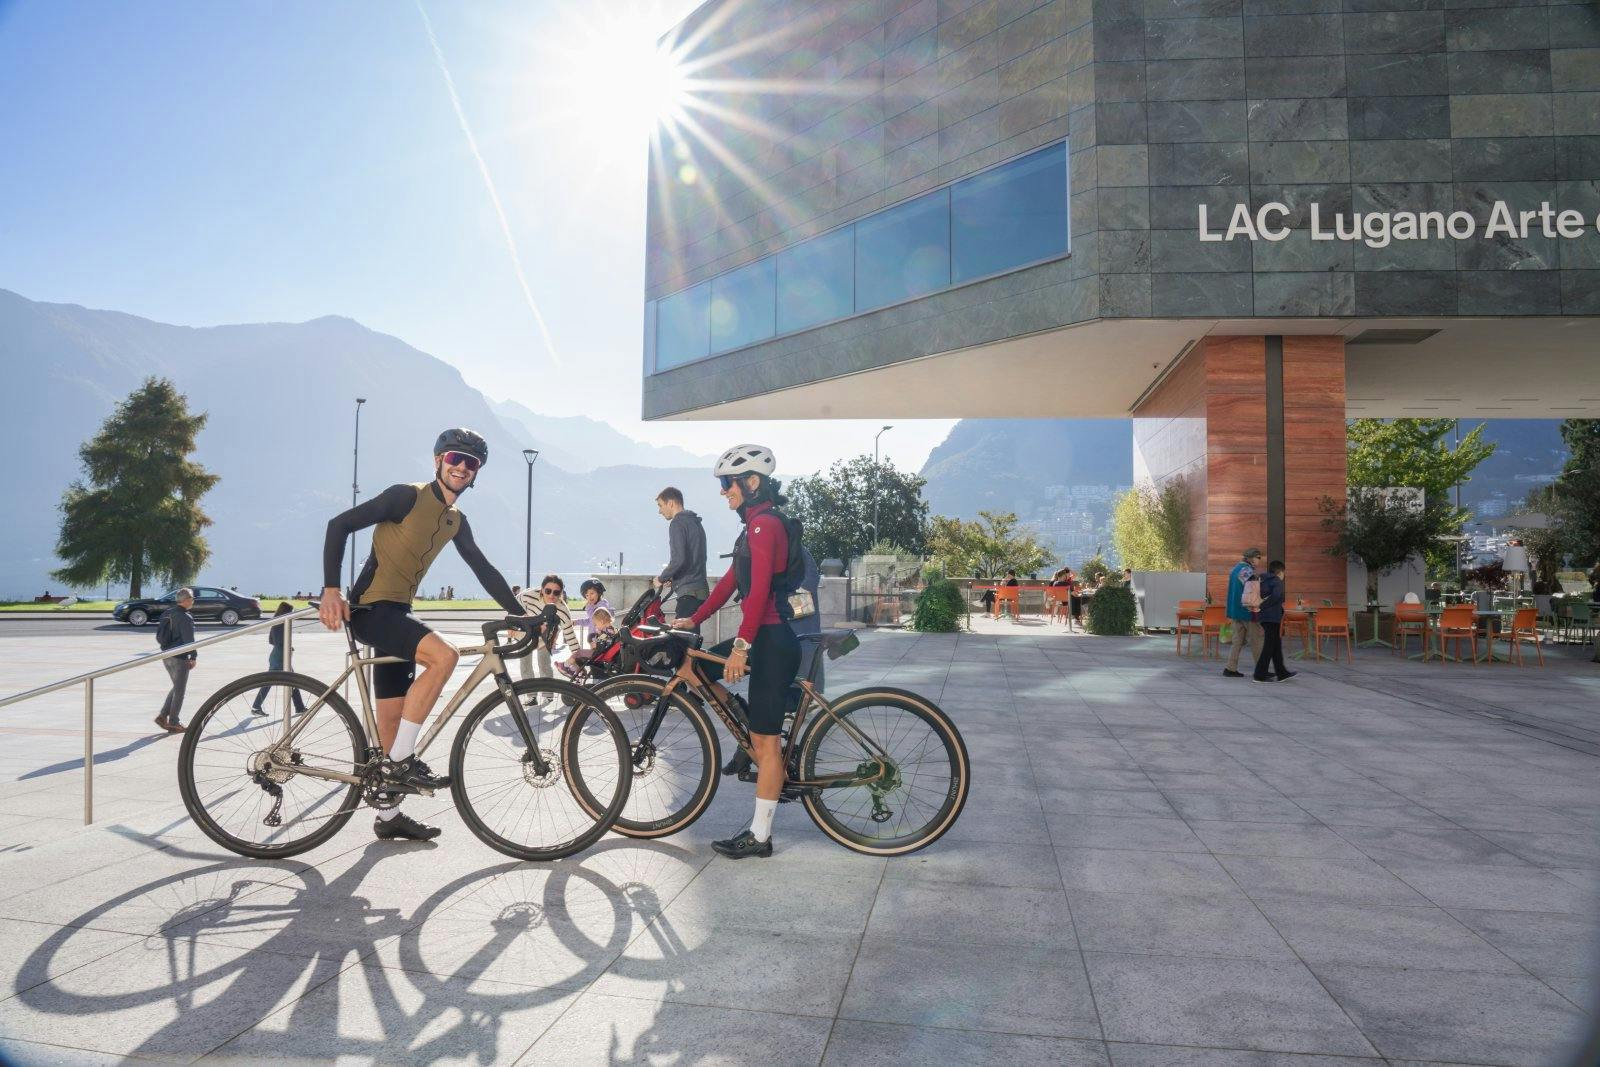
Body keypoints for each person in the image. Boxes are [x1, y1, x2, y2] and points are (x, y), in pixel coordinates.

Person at [320, 427, 525, 843]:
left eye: (472, 463)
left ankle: (389, 813)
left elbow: (482, 569)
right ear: (438, 461)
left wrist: (520, 613)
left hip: (397, 614)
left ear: (476, 473)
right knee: (444, 656)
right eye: (455, 459)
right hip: (371, 611)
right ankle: (403, 764)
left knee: (392, 726)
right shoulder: (406, 496)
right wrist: (330, 589)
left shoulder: (455, 521)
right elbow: (339, 525)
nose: (462, 468)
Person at [674, 443, 802, 860]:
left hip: (771, 640)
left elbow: (761, 591)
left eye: (727, 482)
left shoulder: (766, 525)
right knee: (695, 668)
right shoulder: (752, 527)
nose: (723, 491)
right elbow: (731, 581)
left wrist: (741, 648)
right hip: (762, 636)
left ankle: (760, 837)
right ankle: (746, 725)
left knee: (767, 746)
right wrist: (693, 620)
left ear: (751, 482)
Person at [516, 575, 579, 702]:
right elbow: (512, 605)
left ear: (561, 593)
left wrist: (578, 656)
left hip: (546, 634)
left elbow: (570, 635)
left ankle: (548, 695)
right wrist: (512, 625)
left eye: (556, 592)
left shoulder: (562, 609)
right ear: (542, 589)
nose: (551, 595)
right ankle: (531, 696)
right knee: (525, 664)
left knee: (543, 663)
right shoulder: (528, 596)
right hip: (526, 631)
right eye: (548, 591)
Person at [653, 486, 709, 627]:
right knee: (691, 639)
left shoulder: (677, 523)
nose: (659, 511)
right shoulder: (695, 522)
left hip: (689, 593)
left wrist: (661, 578)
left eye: (660, 505)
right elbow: (693, 558)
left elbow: (679, 559)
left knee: (681, 641)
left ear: (670, 503)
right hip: (700, 589)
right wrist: (674, 578)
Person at [251, 601, 305, 716]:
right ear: (287, 612)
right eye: (292, 612)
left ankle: (299, 707)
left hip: (276, 654)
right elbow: (281, 641)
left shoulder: (276, 622)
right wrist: (289, 647)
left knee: (279, 682)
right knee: (291, 681)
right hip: (281, 656)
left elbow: (271, 640)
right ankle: (299, 708)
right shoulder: (284, 623)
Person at [154, 588, 197, 733]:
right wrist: (193, 656)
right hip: (179, 657)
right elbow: (189, 641)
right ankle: (173, 722)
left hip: (166, 655)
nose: (193, 600)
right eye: (191, 598)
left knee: (176, 687)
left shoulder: (168, 613)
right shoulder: (185, 617)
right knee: (180, 691)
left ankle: (162, 716)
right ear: (185, 600)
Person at [1223, 547, 1264, 678]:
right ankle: (1261, 670)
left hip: (1235, 611)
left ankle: (1230, 668)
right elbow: (1254, 591)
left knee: (1237, 641)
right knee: (1257, 640)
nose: (1259, 560)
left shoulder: (1235, 569)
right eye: (1258, 558)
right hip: (1247, 611)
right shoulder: (1247, 571)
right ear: (1251, 558)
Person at [1252, 560, 1296, 683]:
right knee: (1269, 646)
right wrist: (1264, 605)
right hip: (1272, 618)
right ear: (1280, 572)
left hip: (1264, 617)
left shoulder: (1263, 580)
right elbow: (1276, 597)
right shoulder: (1277, 581)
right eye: (1284, 572)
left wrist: (1261, 606)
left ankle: (1282, 673)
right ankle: (1259, 675)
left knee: (1275, 646)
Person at [576, 579, 611, 646]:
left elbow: (605, 627)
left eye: (592, 593)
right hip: (594, 640)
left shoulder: (601, 609)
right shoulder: (592, 607)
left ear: (599, 593)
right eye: (587, 595)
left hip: (600, 642)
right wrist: (577, 622)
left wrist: (598, 641)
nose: (589, 597)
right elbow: (590, 621)